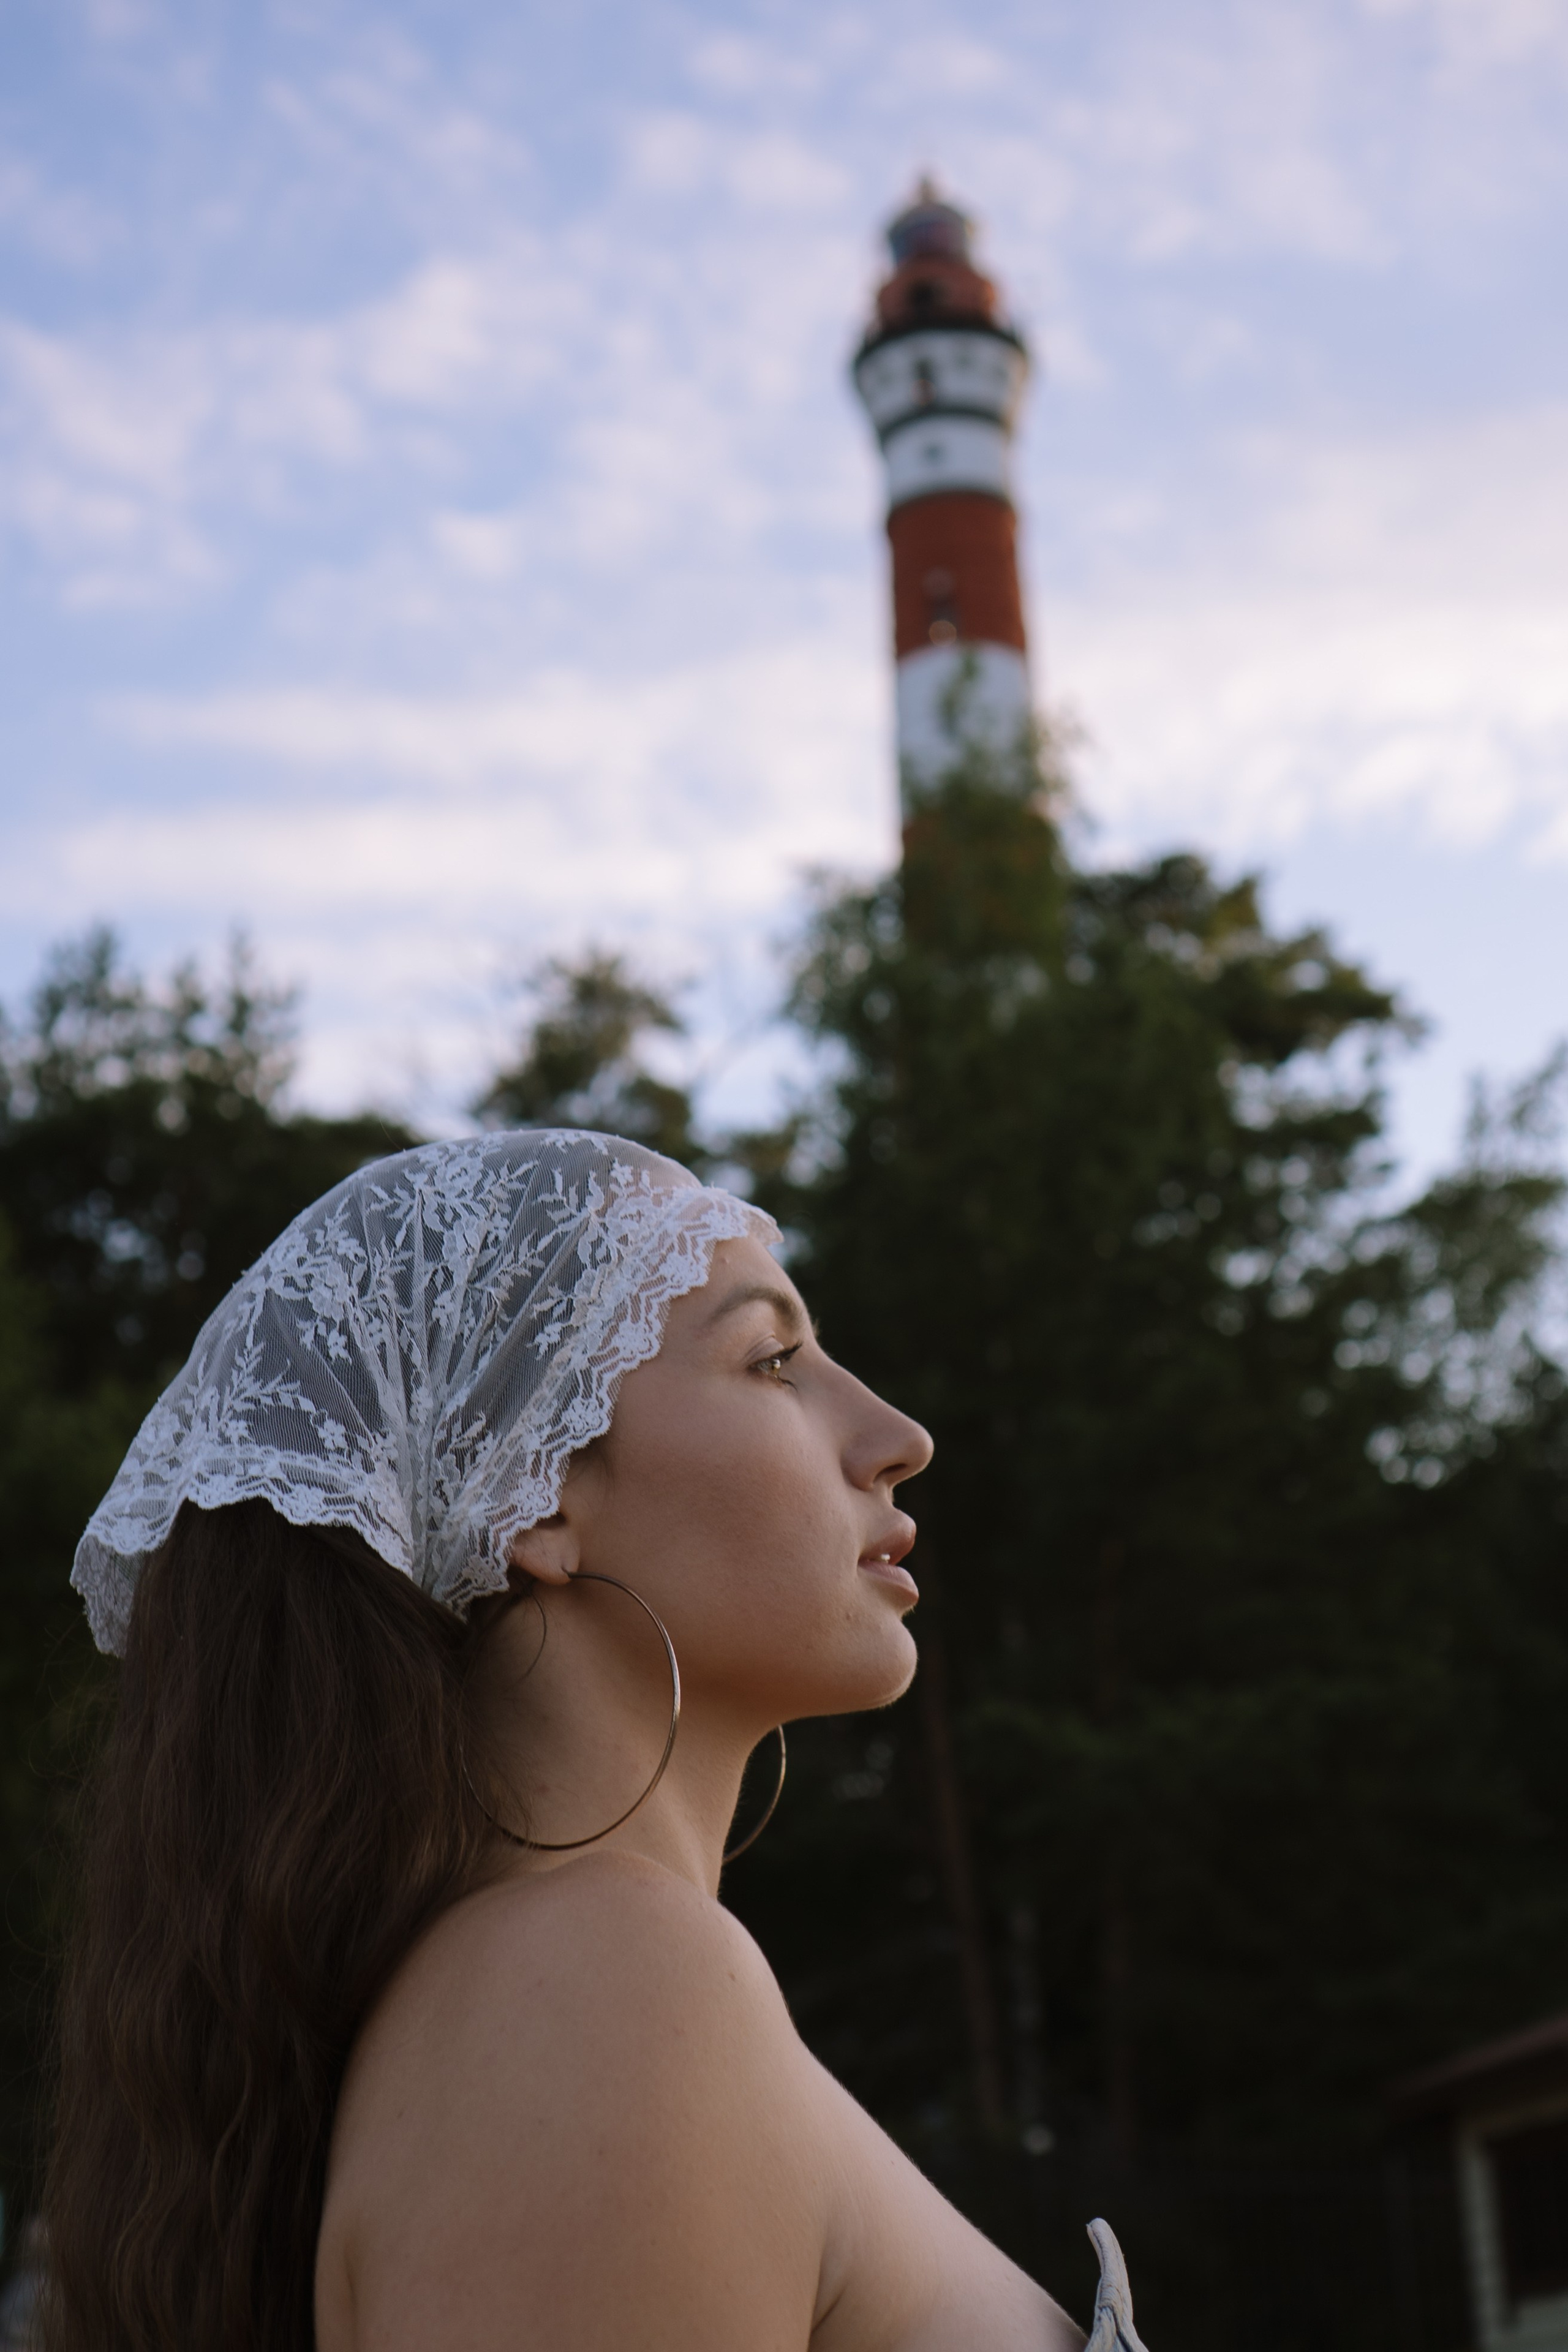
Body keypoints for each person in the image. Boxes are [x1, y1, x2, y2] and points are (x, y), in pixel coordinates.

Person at [44, 1131, 1146, 2351]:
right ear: (539, 1492)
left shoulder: (554, 1994)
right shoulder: (598, 1987)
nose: (896, 1435)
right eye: (772, 1359)